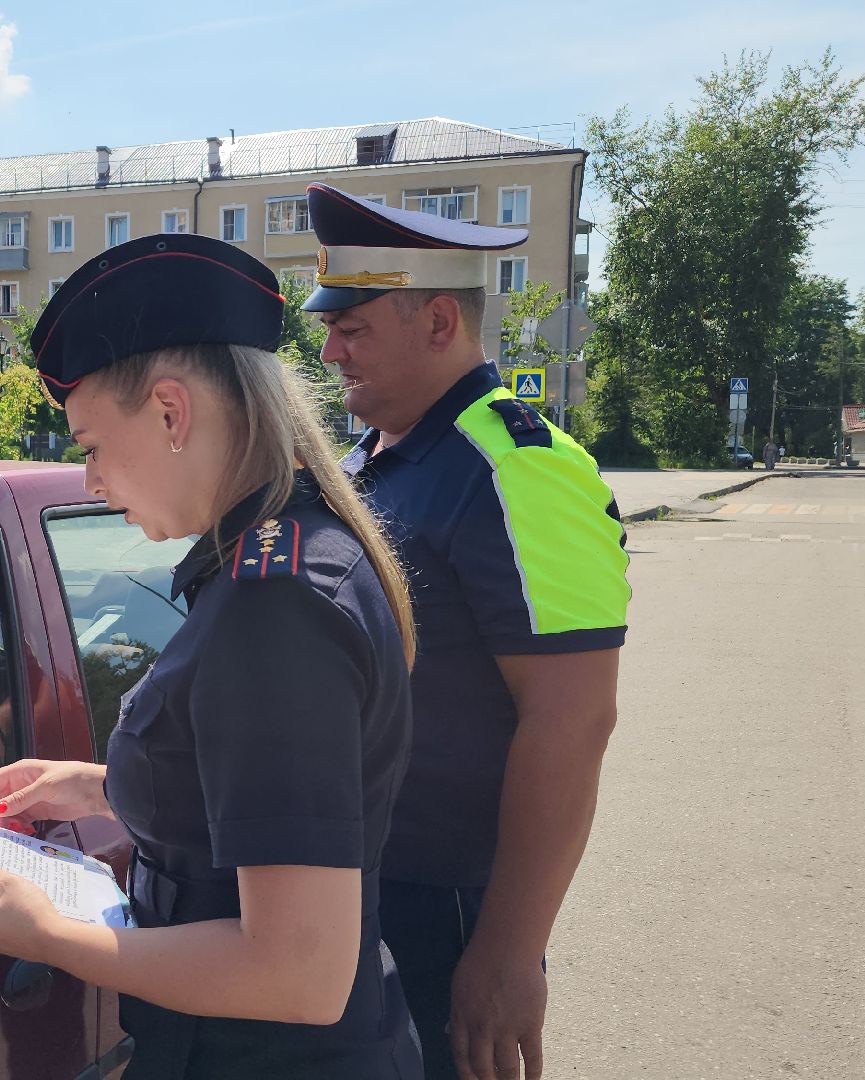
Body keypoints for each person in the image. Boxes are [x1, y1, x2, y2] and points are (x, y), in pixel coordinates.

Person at [0, 233, 423, 1078]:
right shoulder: (279, 555)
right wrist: (96, 785)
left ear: (170, 412)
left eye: (89, 446)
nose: (90, 483)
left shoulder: (276, 609)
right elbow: (248, 804)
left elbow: (299, 973)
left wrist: (52, 937)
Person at [301, 183, 631, 1080]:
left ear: (440, 320)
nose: (329, 350)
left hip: (443, 911)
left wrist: (509, 951)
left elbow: (572, 719)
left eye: (353, 328)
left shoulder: (520, 470)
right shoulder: (378, 457)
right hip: (357, 889)